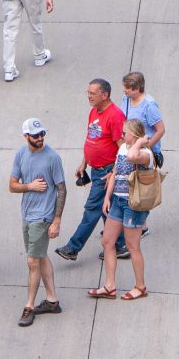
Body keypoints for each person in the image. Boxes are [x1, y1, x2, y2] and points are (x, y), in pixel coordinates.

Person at [59, 78, 131, 260]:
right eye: (88, 92)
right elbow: (93, 138)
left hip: (106, 172)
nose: (89, 96)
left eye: (92, 93)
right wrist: (84, 162)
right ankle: (120, 244)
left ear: (104, 95)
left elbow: (123, 148)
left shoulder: (115, 116)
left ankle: (73, 247)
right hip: (95, 169)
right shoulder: (94, 112)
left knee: (92, 208)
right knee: (107, 208)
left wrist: (115, 172)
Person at [90, 120, 158, 301]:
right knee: (107, 241)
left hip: (133, 205)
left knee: (133, 246)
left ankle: (140, 286)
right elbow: (115, 172)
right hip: (118, 201)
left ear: (135, 135)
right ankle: (110, 286)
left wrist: (139, 143)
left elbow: (132, 158)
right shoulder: (123, 148)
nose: (122, 136)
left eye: (125, 133)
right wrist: (107, 197)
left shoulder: (145, 154)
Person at [10, 118, 69, 326]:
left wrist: (56, 220)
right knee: (40, 256)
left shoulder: (52, 158)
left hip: (42, 218)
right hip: (27, 215)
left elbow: (62, 189)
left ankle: (29, 307)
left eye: (42, 133)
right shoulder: (21, 154)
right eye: (36, 135)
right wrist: (30, 186)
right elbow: (12, 185)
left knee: (32, 261)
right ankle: (52, 301)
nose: (40, 138)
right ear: (26, 136)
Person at [121, 71, 168, 167]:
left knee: (139, 181)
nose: (124, 90)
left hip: (143, 152)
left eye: (127, 88)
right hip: (129, 148)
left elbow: (161, 130)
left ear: (137, 88)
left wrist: (146, 147)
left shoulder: (149, 104)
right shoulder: (126, 98)